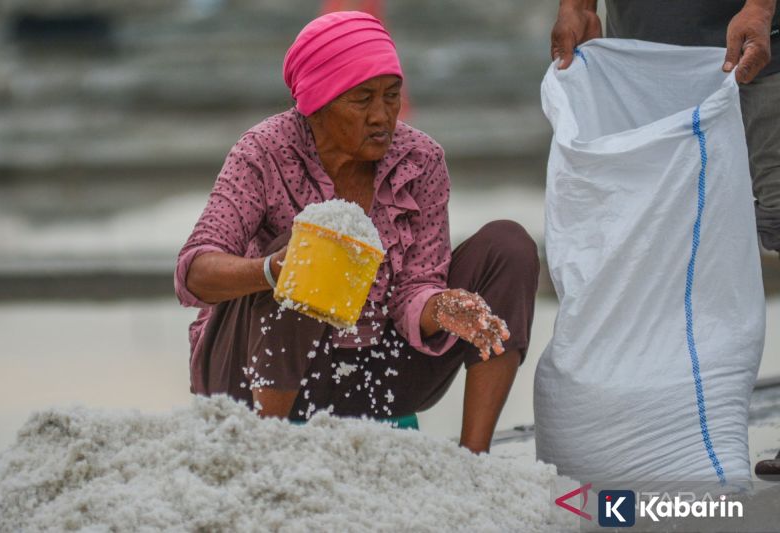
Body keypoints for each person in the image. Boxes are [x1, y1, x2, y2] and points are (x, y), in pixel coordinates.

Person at [174, 11, 540, 453]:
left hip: (371, 377)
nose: (382, 116)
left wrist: (441, 307)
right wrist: (274, 271)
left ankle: (474, 458)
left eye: (391, 96)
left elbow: (416, 287)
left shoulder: (420, 159)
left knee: (509, 246)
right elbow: (194, 270)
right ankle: (266, 454)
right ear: (317, 102)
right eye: (362, 99)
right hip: (252, 379)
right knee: (314, 247)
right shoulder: (262, 152)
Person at [550, 0, 779, 479]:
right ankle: (651, 419)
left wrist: (759, 9)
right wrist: (576, 6)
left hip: (761, 45)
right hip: (643, 52)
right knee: (643, 233)